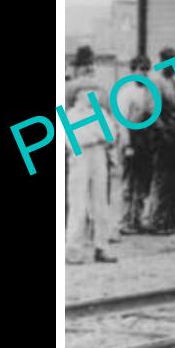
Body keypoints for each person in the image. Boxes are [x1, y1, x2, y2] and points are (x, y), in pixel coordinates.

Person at [65, 48, 119, 263]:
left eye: (94, 94)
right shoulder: (70, 115)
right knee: (77, 202)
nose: (90, 97)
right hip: (79, 155)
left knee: (100, 202)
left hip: (98, 154)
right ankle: (73, 248)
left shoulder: (101, 115)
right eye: (85, 94)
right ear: (76, 97)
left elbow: (110, 136)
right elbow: (71, 139)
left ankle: (101, 246)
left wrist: (102, 138)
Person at [147, 47, 175, 234]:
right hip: (162, 137)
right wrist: (162, 130)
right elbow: (152, 109)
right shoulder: (155, 81)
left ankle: (168, 221)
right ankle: (156, 221)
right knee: (162, 181)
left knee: (172, 182)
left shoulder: (172, 80)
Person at [114, 54, 155, 235]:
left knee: (143, 182)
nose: (144, 74)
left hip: (145, 142)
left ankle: (137, 218)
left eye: (146, 70)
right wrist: (126, 144)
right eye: (140, 70)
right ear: (133, 71)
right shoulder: (125, 92)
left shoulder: (149, 91)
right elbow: (121, 121)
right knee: (128, 182)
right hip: (130, 139)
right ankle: (123, 220)